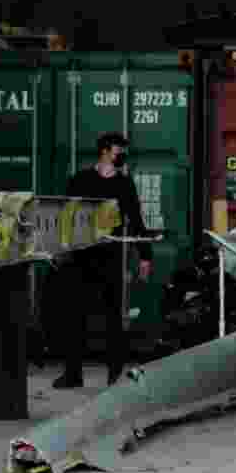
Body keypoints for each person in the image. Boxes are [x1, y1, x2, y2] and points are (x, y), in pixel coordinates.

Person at [52, 132, 153, 389]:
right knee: (75, 316)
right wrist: (59, 249)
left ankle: (114, 375)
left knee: (113, 317)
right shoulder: (80, 180)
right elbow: (66, 215)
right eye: (121, 150)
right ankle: (73, 374)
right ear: (106, 151)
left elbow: (137, 219)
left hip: (111, 256)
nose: (123, 154)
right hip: (82, 255)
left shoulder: (124, 184)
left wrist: (145, 256)